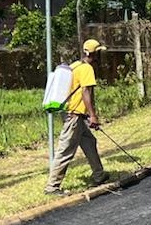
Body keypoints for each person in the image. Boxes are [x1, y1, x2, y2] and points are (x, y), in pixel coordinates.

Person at [44, 39, 110, 195]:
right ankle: (52, 186)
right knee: (65, 149)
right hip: (73, 116)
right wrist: (93, 115)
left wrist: (85, 114)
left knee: (89, 141)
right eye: (99, 53)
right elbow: (86, 92)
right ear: (93, 54)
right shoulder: (87, 69)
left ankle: (99, 175)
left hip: (73, 114)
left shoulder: (74, 66)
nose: (100, 56)